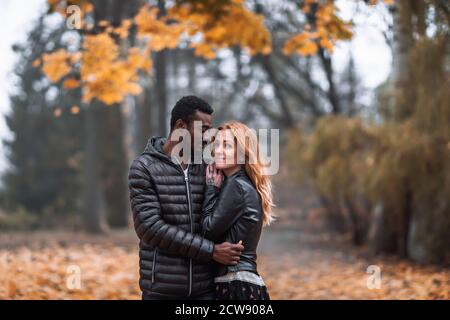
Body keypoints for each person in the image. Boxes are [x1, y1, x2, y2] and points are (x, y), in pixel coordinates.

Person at [128, 96, 244, 300]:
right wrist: (211, 251)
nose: (209, 137)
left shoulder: (209, 166)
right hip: (162, 289)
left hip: (206, 289)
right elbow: (150, 228)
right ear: (181, 126)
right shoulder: (144, 167)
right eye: (203, 129)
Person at [202, 121, 274, 300]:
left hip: (235, 284)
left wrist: (211, 188)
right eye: (217, 145)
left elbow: (208, 229)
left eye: (226, 146)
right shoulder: (242, 184)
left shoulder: (236, 185)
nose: (218, 151)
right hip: (243, 283)